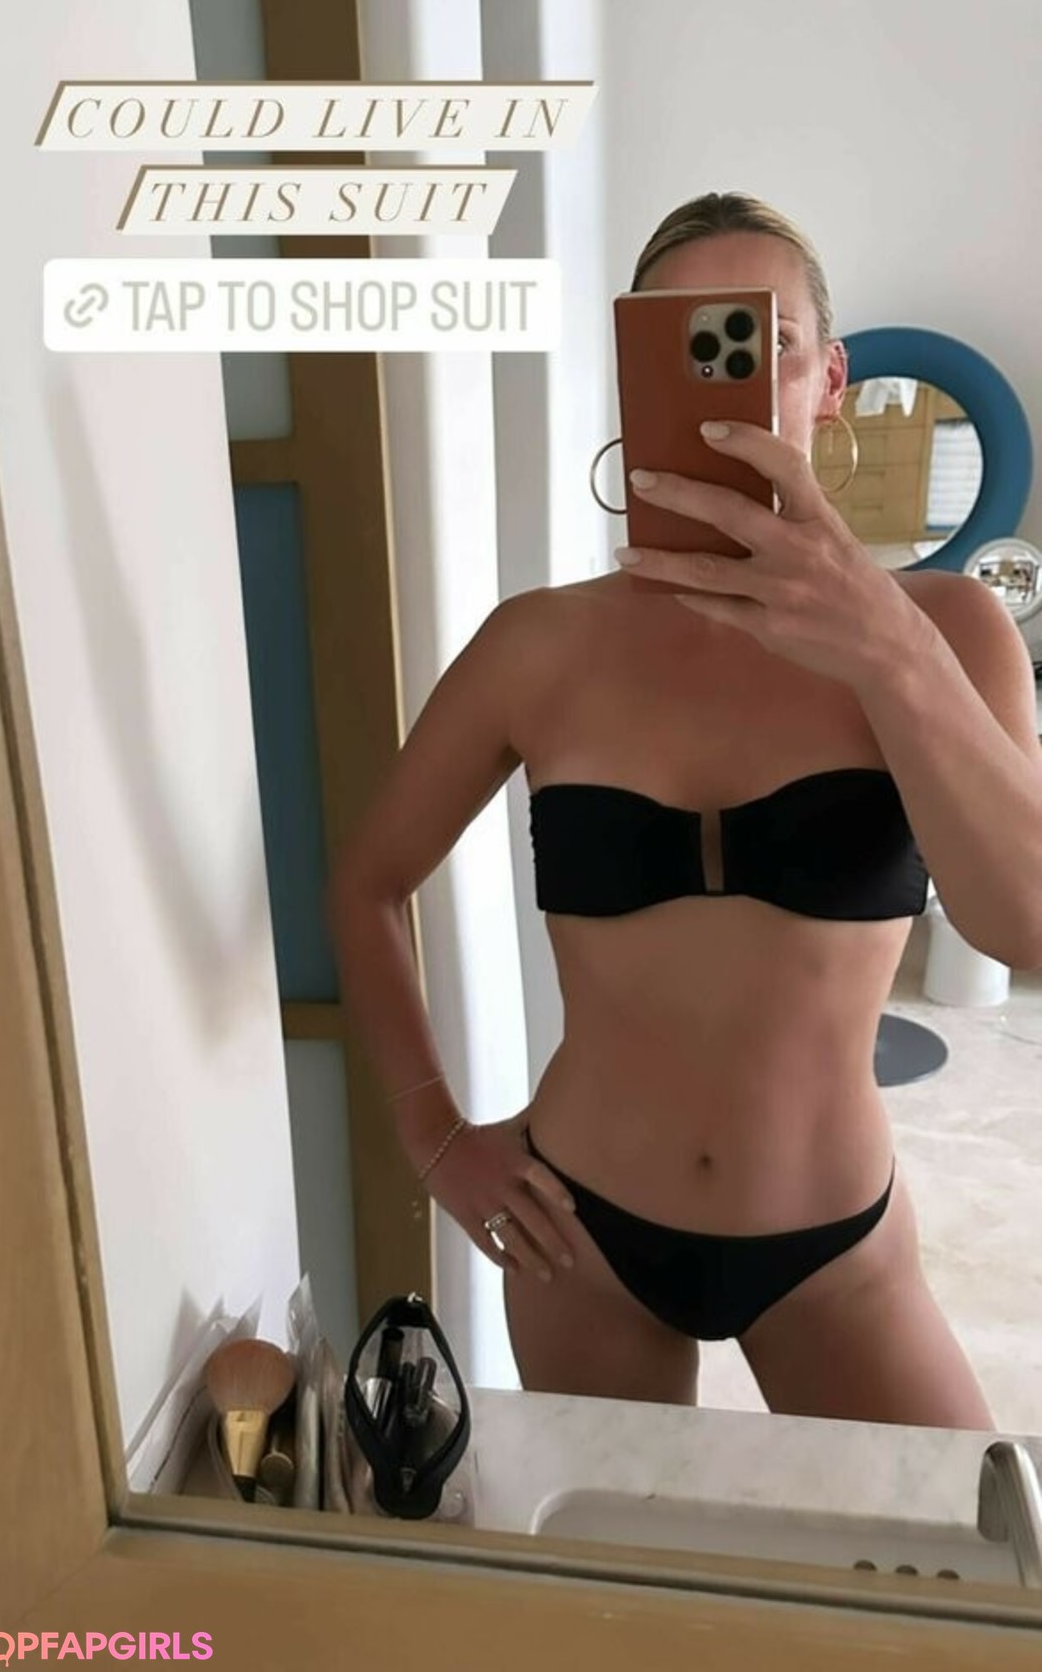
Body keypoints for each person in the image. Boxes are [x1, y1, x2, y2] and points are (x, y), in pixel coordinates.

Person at [331, 191, 1042, 1429]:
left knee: (953, 1543)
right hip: (581, 1237)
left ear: (830, 382)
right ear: (634, 373)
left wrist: (885, 649)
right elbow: (367, 881)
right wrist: (435, 1137)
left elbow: (1022, 924)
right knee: (615, 1552)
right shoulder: (539, 644)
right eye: (685, 338)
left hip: (835, 1248)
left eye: (765, 338)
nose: (728, 374)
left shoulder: (948, 628)